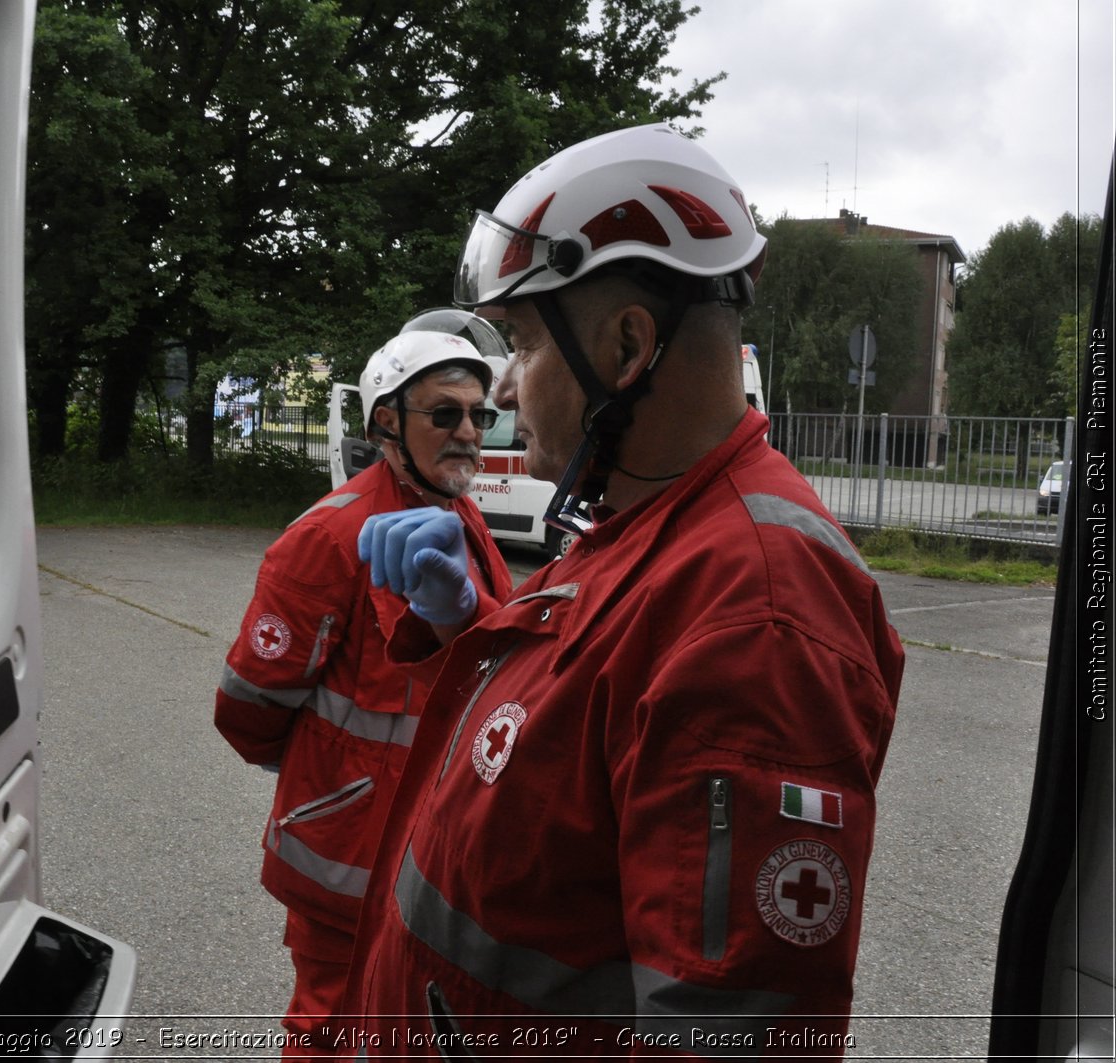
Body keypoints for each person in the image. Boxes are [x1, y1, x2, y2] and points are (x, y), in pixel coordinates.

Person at [347, 124, 905, 1057]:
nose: (508, 393)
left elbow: (726, 1031)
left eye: (522, 345)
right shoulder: (648, 517)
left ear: (628, 345)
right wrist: (469, 633)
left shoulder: (755, 612)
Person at [214, 312, 514, 1056]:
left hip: (429, 847)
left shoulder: (461, 516)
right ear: (388, 421)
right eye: (445, 413)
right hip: (346, 854)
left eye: (481, 414)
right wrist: (335, 774)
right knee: (332, 1030)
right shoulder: (327, 535)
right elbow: (249, 705)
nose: (470, 431)